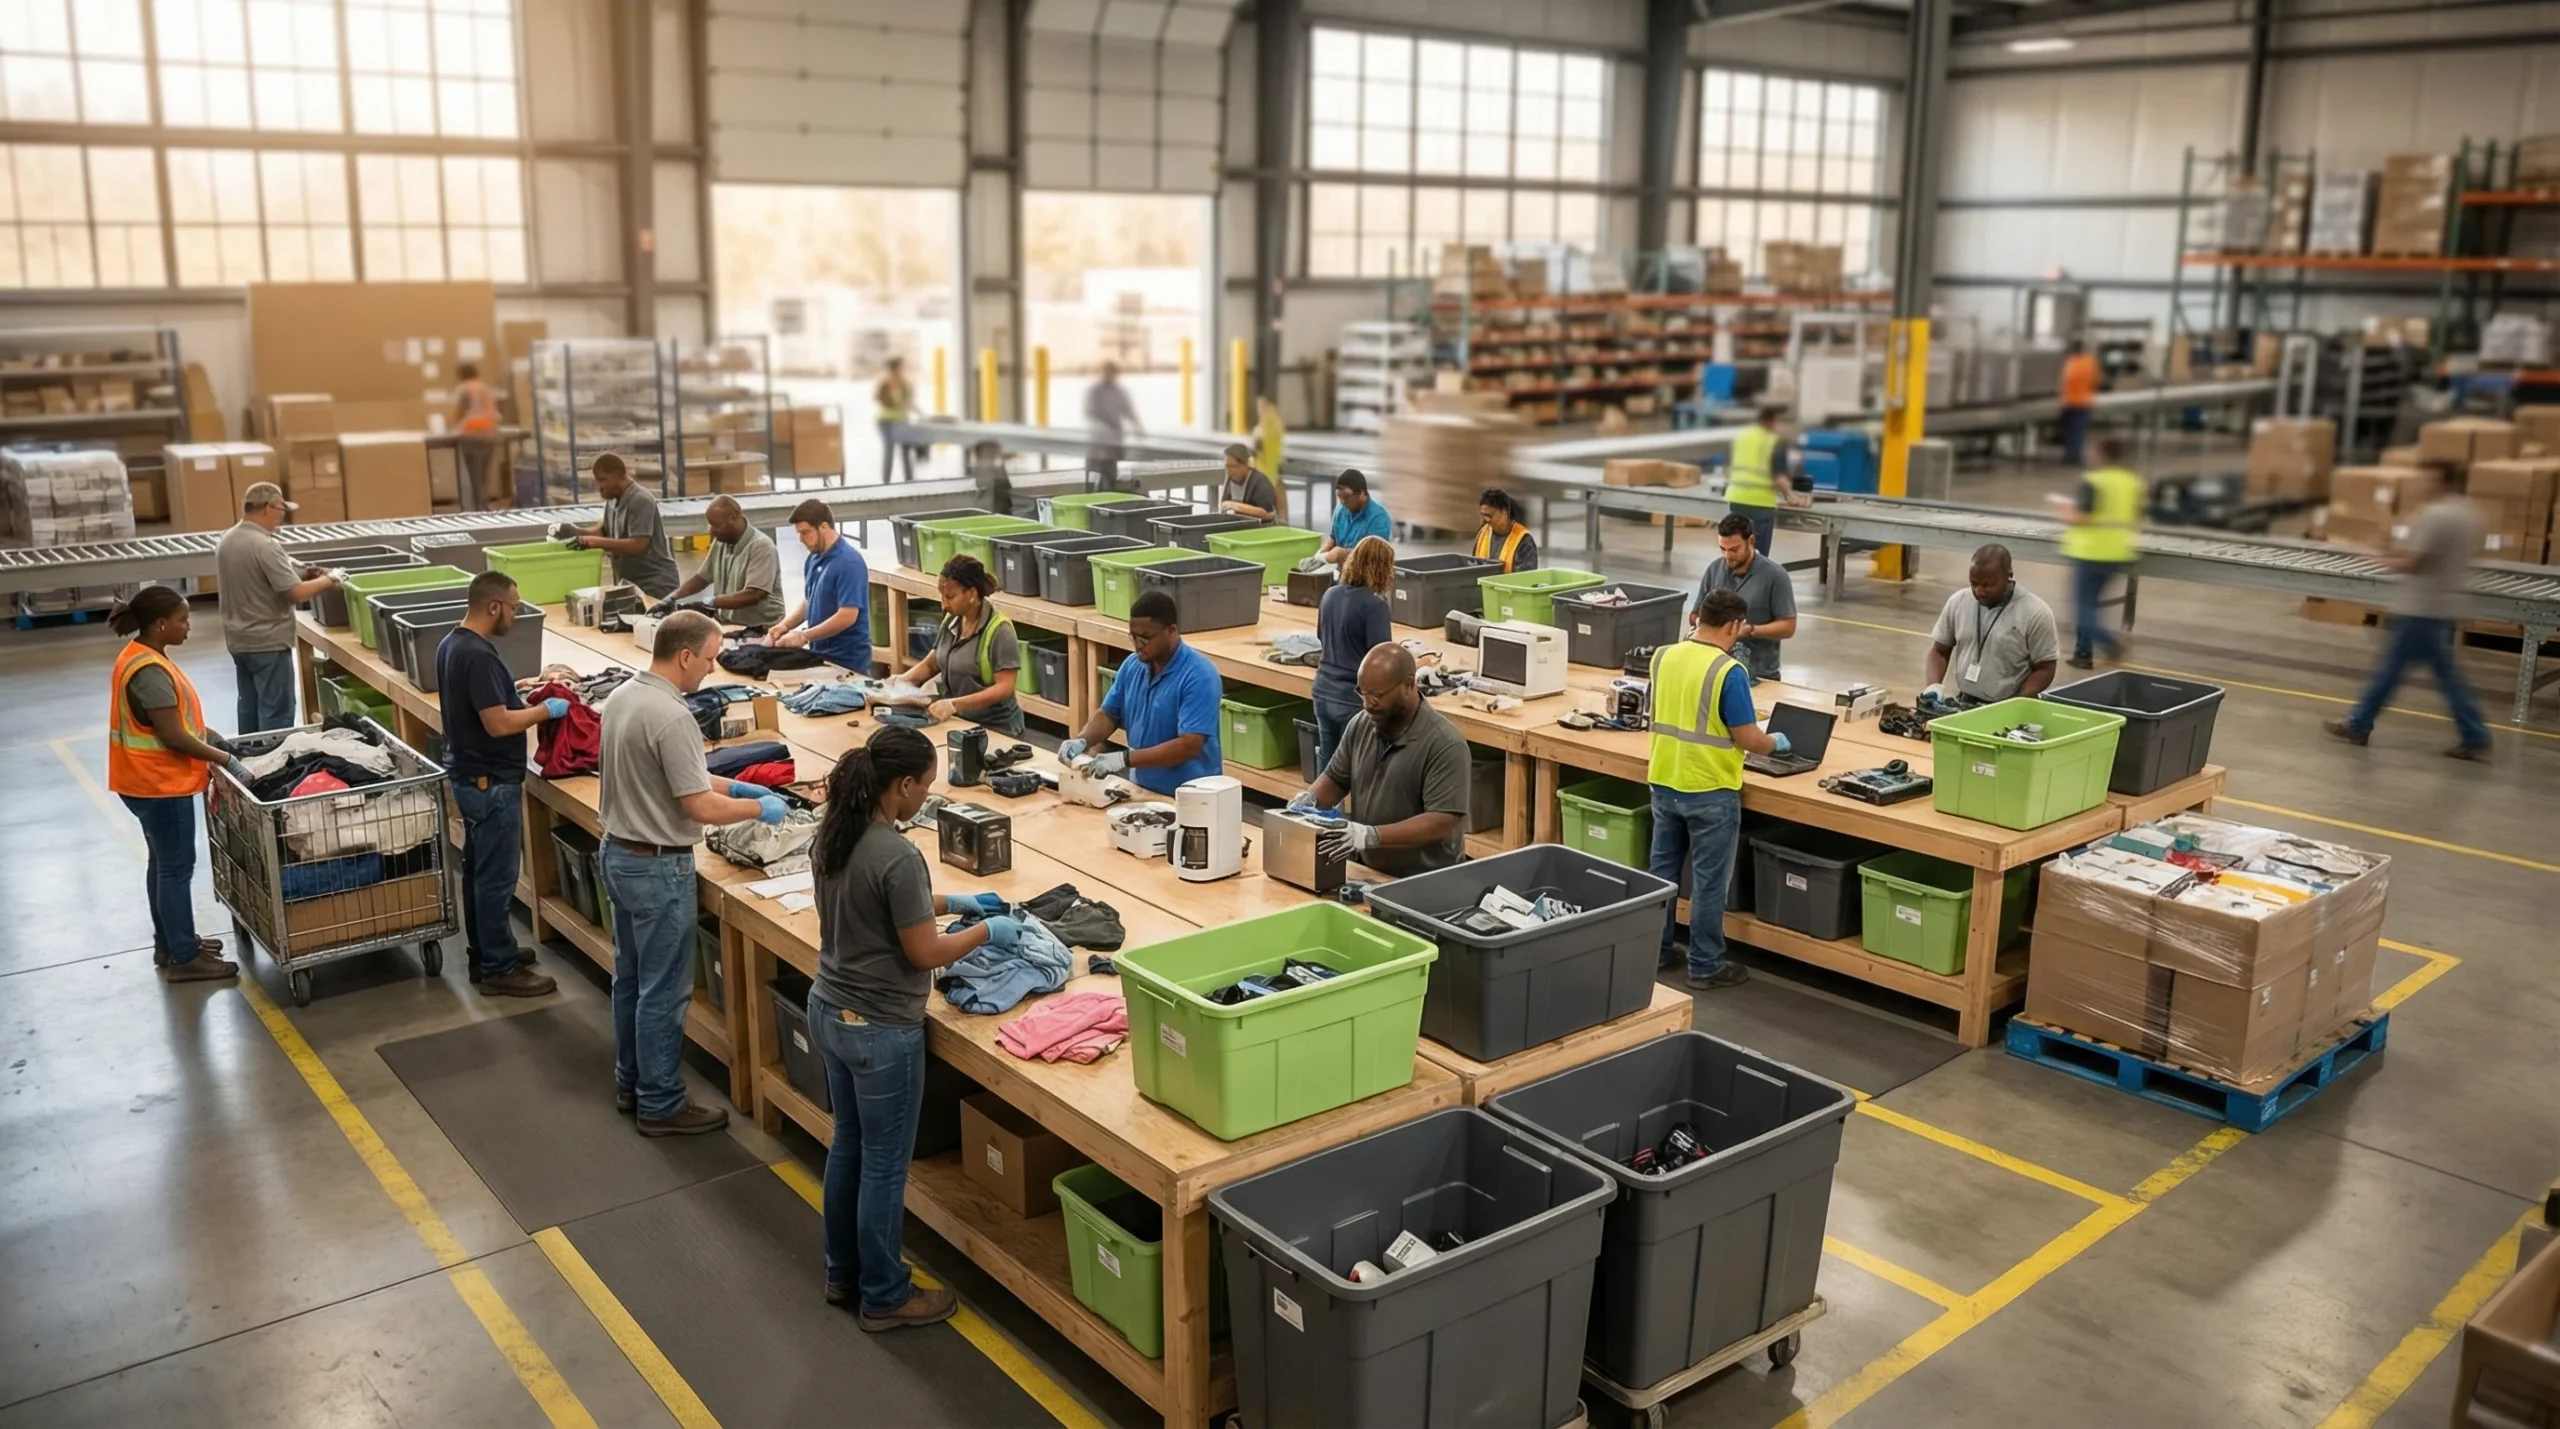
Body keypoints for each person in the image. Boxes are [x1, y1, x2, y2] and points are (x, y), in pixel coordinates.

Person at [807, 725, 1021, 1331]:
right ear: (901, 785)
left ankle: (841, 1271)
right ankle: (885, 1293)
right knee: (882, 1165)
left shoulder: (836, 834)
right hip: (880, 1031)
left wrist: (952, 902)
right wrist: (986, 931)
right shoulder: (899, 855)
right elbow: (925, 954)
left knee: (847, 1146)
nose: (925, 796)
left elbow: (874, 907)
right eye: (923, 786)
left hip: (830, 1010)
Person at [598, 610, 789, 1136]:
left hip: (618, 852)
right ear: (685, 656)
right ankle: (660, 1104)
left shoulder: (624, 697)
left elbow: (684, 777)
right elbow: (697, 806)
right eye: (707, 660)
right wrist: (758, 810)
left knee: (632, 981)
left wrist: (739, 787)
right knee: (664, 991)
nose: (709, 670)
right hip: (657, 868)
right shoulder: (673, 714)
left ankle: (630, 1082)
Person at [437, 571, 570, 997]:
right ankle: (499, 967)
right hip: (490, 782)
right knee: (496, 878)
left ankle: (487, 951)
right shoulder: (478, 655)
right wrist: (545, 711)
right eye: (513, 607)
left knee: (479, 872)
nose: (515, 614)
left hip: (471, 778)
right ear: (493, 606)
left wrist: (515, 691)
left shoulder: (452, 644)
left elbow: (483, 703)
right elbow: (497, 724)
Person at [106, 585, 247, 983]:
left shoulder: (142, 655)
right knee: (175, 868)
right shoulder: (149, 671)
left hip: (140, 781)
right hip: (160, 784)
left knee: (162, 863)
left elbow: (176, 721)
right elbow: (173, 737)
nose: (188, 625)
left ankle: (170, 943)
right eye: (183, 619)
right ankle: (185, 957)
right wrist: (225, 760)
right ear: (160, 623)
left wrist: (211, 734)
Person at [1647, 588, 1785, 992]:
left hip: (1664, 780)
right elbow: (1748, 738)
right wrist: (1776, 742)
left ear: (1698, 619)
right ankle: (1705, 966)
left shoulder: (1663, 656)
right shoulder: (1729, 672)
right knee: (1709, 883)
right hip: (1710, 790)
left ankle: (1656, 952)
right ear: (1732, 625)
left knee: (1662, 875)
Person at [2324, 484, 2493, 759]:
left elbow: (2415, 562)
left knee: (2390, 672)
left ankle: (2359, 723)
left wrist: (2379, 559)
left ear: (2440, 479)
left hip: (2421, 609)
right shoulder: (2469, 514)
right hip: (2443, 606)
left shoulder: (2437, 515)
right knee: (2444, 676)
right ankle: (2474, 734)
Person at [1287, 643, 1469, 877]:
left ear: (1409, 685)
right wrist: (1309, 801)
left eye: (1377, 696)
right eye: (1363, 693)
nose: (1367, 704)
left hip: (1425, 880)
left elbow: (1442, 820)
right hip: (1370, 872)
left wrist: (1370, 835)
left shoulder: (1444, 744)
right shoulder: (1362, 724)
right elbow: (1336, 778)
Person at [1059, 590, 1221, 796]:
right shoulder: (1132, 666)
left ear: (1172, 631)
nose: (1137, 646)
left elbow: (1189, 746)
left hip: (1192, 797)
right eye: (1133, 637)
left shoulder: (1199, 675)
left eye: (1145, 638)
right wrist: (1082, 740)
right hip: (1140, 788)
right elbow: (1109, 714)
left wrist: (1124, 759)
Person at [215, 481, 341, 733]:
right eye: (281, 510)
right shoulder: (265, 545)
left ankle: (249, 760)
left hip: (239, 640)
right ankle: (273, 765)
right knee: (276, 713)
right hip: (267, 643)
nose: (282, 517)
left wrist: (302, 573)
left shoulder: (228, 540)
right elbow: (295, 593)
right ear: (266, 508)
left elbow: (258, 577)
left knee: (249, 707)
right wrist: (331, 579)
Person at [895, 555, 1022, 735]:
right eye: (942, 597)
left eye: (950, 597)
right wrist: (896, 683)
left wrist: (955, 705)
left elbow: (1005, 688)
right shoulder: (952, 620)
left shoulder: (1000, 630)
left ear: (972, 594)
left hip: (995, 727)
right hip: (958, 722)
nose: (944, 605)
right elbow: (932, 663)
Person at [2053, 436, 2146, 669]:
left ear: (2101, 454)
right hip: (2119, 551)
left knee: (2082, 609)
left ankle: (2111, 644)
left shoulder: (2093, 480)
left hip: (2090, 551)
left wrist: (2063, 509)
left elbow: (2079, 518)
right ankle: (2083, 655)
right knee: (2090, 605)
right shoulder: (2132, 481)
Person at [1925, 544, 2060, 703]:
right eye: (1974, 584)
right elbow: (1939, 651)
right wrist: (1933, 686)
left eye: (1988, 585)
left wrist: (2018, 702)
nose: (1979, 591)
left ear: (2009, 576)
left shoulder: (2035, 613)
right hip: (1963, 703)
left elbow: (2046, 668)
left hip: (2007, 706)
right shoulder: (1958, 602)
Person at [762, 498, 874, 673]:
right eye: (799, 533)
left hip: (846, 661)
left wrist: (804, 636)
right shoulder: (814, 559)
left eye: (805, 533)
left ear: (823, 527)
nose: (800, 539)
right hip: (820, 655)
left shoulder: (849, 563)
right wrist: (784, 626)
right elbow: (809, 601)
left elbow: (847, 616)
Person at [1312, 536, 1393, 771]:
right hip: (1352, 699)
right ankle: (1356, 810)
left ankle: (1318, 808)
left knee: (1327, 764)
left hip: (1323, 690)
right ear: (1383, 568)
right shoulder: (1375, 605)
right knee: (1362, 769)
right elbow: (1382, 660)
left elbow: (1321, 637)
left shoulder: (1330, 594)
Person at [1691, 512, 1798, 683]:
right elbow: (1695, 614)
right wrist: (1702, 625)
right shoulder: (1714, 569)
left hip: (1759, 673)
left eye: (1734, 549)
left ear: (1751, 541)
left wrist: (1750, 630)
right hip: (1715, 667)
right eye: (1722, 549)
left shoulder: (1775, 576)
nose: (1727, 556)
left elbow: (1788, 626)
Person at [567, 453, 680, 600]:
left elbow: (638, 544)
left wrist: (593, 543)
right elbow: (604, 532)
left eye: (603, 480)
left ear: (620, 475)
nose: (600, 487)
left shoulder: (640, 499)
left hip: (655, 584)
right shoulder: (612, 501)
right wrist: (575, 532)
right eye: (597, 481)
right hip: (630, 584)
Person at [665, 494, 785, 630]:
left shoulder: (761, 547)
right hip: (729, 624)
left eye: (716, 525)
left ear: (733, 518)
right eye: (710, 524)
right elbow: (702, 578)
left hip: (761, 628)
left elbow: (754, 594)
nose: (710, 530)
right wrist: (672, 598)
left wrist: (710, 602)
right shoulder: (721, 542)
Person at [1723, 402, 1795, 557]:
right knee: (1757, 557)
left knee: (1736, 550)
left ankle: (1735, 581)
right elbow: (1779, 478)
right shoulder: (1773, 441)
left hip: (1737, 500)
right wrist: (1792, 497)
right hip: (1760, 505)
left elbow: (1727, 469)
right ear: (1773, 421)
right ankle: (1756, 582)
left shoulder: (1741, 436)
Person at [452, 361, 506, 509]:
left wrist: (453, 424)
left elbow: (458, 412)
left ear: (460, 376)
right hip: (489, 435)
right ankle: (484, 505)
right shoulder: (487, 389)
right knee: (484, 475)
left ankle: (477, 508)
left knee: (473, 476)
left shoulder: (463, 390)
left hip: (471, 436)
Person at [1084, 360, 1142, 491]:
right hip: (1097, 441)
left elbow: (1128, 410)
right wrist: (1104, 428)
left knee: (1110, 474)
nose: (1109, 376)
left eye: (1112, 373)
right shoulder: (1094, 391)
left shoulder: (1119, 391)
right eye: (1107, 373)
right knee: (1093, 475)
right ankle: (1091, 497)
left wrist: (1137, 426)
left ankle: (1108, 497)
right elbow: (1089, 413)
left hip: (1114, 441)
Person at [1319, 468, 1391, 565]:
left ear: (1361, 493)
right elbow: (1333, 538)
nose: (1342, 502)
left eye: (1346, 498)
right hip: (1341, 572)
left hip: (1366, 575)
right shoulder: (1341, 510)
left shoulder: (1378, 518)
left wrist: (1341, 554)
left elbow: (1373, 557)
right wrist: (1320, 555)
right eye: (1340, 497)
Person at [875, 356, 921, 483]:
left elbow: (909, 401)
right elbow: (881, 399)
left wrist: (918, 411)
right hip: (887, 421)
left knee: (906, 451)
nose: (900, 371)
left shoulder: (905, 383)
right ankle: (886, 481)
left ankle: (909, 480)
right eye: (898, 368)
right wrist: (897, 404)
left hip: (902, 421)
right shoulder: (885, 383)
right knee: (889, 450)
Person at [1473, 488, 1540, 573]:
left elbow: (1526, 579)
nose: (1485, 520)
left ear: (1504, 513)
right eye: (1483, 515)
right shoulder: (1483, 534)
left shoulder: (1523, 541)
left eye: (1489, 516)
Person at [2059, 339, 2101, 469]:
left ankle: (2070, 456)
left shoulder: (2070, 363)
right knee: (2078, 432)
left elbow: (2064, 381)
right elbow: (2096, 381)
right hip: (2083, 401)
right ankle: (2075, 457)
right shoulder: (2090, 363)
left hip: (2069, 401)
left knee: (2070, 432)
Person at [1219, 442, 1279, 522]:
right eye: (1227, 466)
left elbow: (1267, 514)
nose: (1230, 471)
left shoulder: (1260, 483)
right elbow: (1224, 504)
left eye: (1234, 466)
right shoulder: (1230, 480)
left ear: (1245, 465)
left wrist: (1235, 506)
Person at [1254, 395, 1286, 517]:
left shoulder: (1267, 425)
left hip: (1267, 467)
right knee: (1278, 495)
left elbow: (1259, 445)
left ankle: (1272, 518)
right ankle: (1281, 519)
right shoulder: (1275, 423)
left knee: (1272, 496)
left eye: (1261, 406)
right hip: (1271, 466)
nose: (1259, 409)